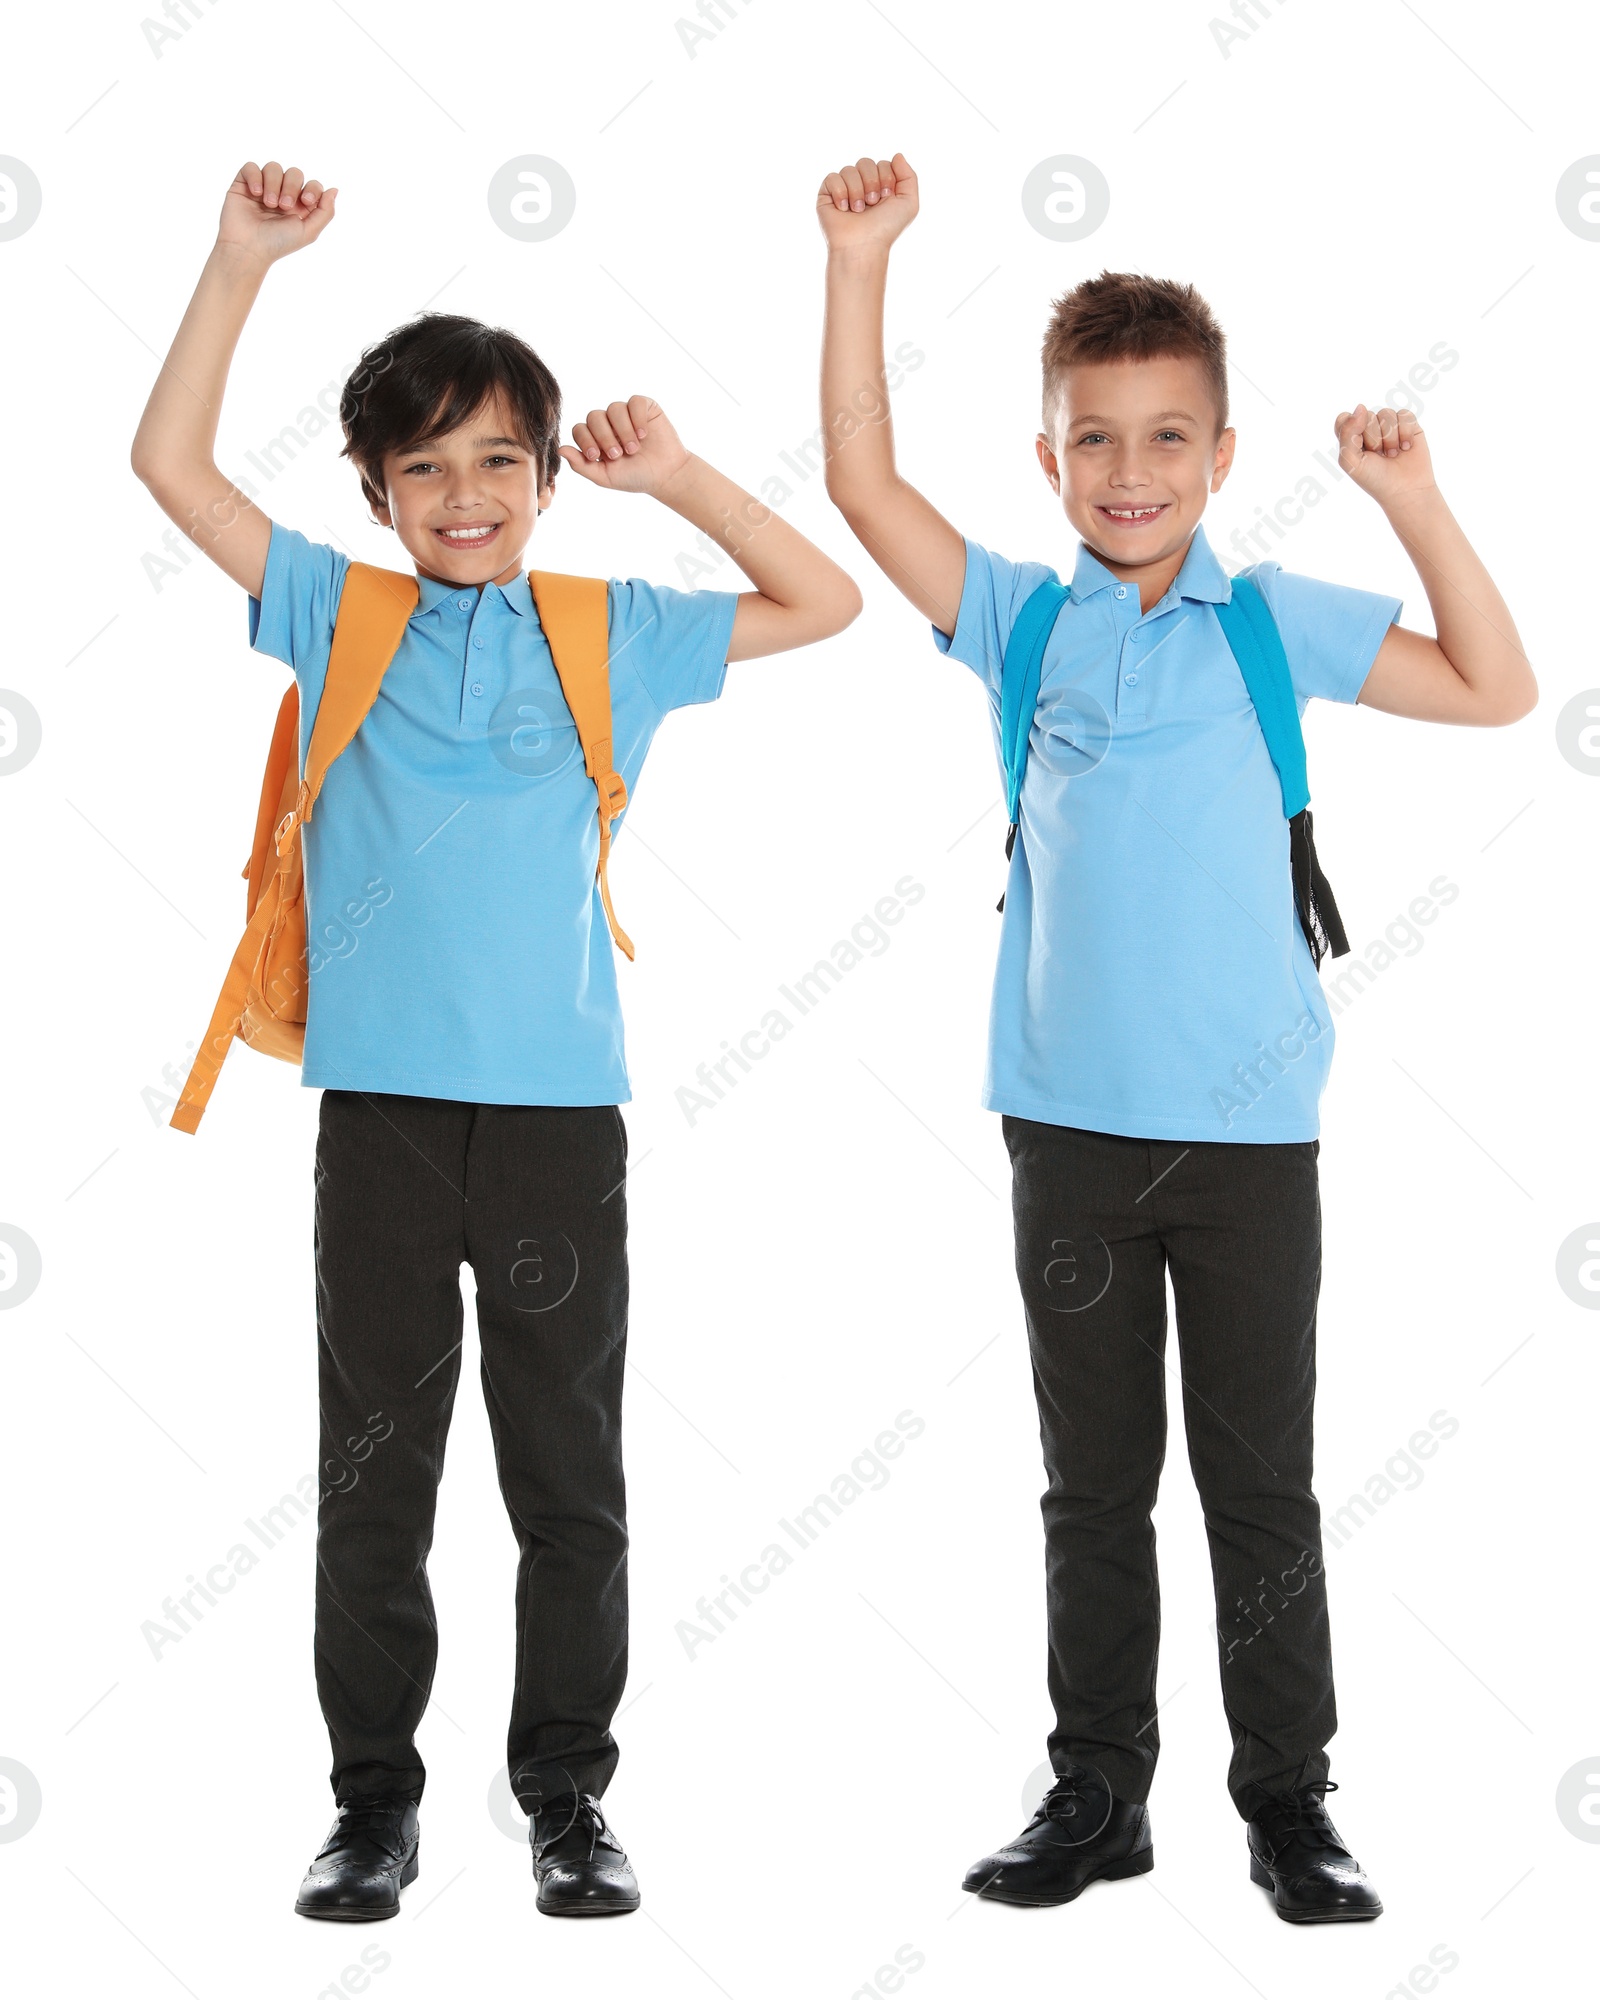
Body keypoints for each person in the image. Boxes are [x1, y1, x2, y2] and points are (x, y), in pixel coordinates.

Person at [131, 158, 861, 1922]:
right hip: (379, 1112)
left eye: (498, 462)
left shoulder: (607, 628)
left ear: (543, 476)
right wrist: (240, 261)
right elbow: (169, 467)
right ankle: (369, 1805)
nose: (466, 494)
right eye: (426, 466)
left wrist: (677, 477)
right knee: (375, 1472)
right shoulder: (339, 609)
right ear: (377, 490)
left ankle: (565, 1799)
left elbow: (823, 601)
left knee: (566, 1479)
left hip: (555, 1121)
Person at [815, 150, 1533, 1923]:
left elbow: (1500, 685)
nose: (1128, 473)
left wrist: (1416, 501)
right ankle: (1098, 1794)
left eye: (1164, 439)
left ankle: (1291, 1803)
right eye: (1093, 439)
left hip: (1248, 1134)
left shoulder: (1271, 619)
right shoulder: (1024, 622)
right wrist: (860, 263)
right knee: (1092, 1488)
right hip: (1062, 1130)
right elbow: (853, 477)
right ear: (1047, 460)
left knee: (1258, 1485)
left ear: (1220, 457)